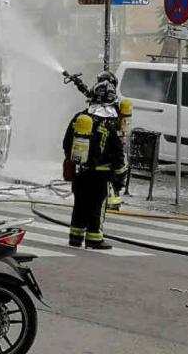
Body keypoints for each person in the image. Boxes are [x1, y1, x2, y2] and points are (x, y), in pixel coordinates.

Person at [62, 80, 127, 250]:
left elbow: (67, 143)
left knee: (80, 205)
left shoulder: (80, 118)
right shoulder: (110, 124)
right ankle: (94, 238)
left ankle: (75, 237)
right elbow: (118, 154)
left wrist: (73, 161)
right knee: (96, 207)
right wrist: (119, 178)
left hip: (80, 172)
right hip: (100, 174)